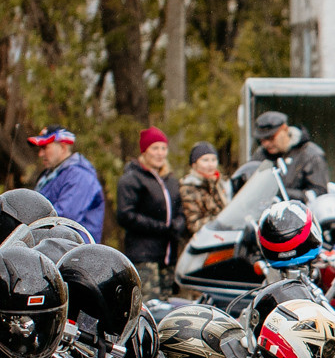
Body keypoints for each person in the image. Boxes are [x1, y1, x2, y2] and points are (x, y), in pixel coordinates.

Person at [114, 127, 186, 298]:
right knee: (151, 306)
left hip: (168, 257)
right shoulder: (132, 179)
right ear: (145, 151)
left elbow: (180, 210)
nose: (160, 153)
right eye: (155, 148)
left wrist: (178, 225)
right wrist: (160, 228)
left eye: (163, 148)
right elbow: (126, 215)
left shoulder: (171, 180)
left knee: (168, 307)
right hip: (144, 256)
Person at [29, 127, 104, 239]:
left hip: (74, 252)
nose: (40, 154)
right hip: (53, 247)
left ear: (63, 147)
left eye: (45, 148)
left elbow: (62, 219)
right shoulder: (50, 174)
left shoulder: (80, 176)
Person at [252, 110, 331, 198]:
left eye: (270, 138)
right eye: (261, 140)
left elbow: (319, 194)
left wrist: (282, 193)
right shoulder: (261, 154)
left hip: (299, 210)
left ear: (285, 129)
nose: (266, 144)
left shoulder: (311, 155)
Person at [179, 141, 225, 240]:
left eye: (213, 159)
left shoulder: (220, 184)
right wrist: (223, 219)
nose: (211, 164)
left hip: (222, 238)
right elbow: (194, 225)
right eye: (205, 160)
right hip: (200, 243)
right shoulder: (188, 188)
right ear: (194, 164)